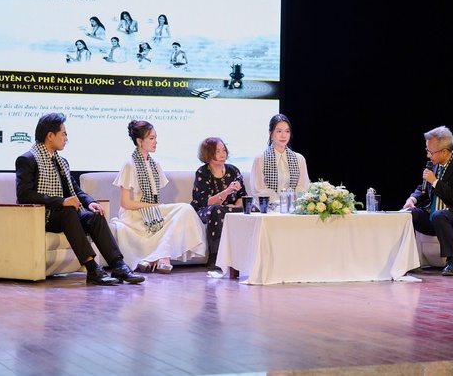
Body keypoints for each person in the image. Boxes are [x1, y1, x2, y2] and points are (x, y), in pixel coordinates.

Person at [15, 113, 145, 285]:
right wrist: (61, 202)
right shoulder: (28, 160)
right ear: (50, 135)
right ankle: (92, 269)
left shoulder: (61, 161)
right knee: (68, 211)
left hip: (63, 215)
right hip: (42, 216)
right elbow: (24, 195)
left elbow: (76, 190)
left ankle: (118, 265)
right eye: (63, 134)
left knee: (95, 216)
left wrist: (90, 202)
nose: (66, 138)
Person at [110, 120, 206, 274]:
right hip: (134, 215)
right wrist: (153, 206)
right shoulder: (130, 165)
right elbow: (126, 203)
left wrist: (155, 207)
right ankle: (160, 257)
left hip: (153, 211)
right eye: (151, 138)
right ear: (139, 141)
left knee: (186, 210)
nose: (155, 142)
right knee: (184, 209)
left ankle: (160, 256)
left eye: (155, 138)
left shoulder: (155, 164)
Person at [402, 125, 453, 276]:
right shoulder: (434, 165)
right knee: (409, 213)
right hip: (433, 217)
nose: (428, 156)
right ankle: (409, 261)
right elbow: (423, 188)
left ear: (444, 151)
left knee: (439, 215)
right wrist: (412, 198)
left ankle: (451, 263)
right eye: (427, 151)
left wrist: (435, 182)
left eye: (431, 152)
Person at [191, 137, 246, 268]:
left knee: (253, 209)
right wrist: (227, 191)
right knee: (216, 210)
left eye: (224, 150)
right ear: (208, 154)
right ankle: (215, 256)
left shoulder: (233, 170)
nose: (222, 154)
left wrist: (237, 207)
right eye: (217, 151)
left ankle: (248, 255)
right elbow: (206, 202)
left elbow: (242, 196)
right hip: (204, 211)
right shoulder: (202, 172)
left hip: (229, 209)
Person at [250, 114, 310, 209]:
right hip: (267, 209)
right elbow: (259, 190)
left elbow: (303, 187)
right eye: (279, 131)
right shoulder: (260, 159)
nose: (283, 135)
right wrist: (279, 203)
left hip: (292, 208)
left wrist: (291, 202)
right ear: (271, 134)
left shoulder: (299, 159)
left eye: (287, 131)